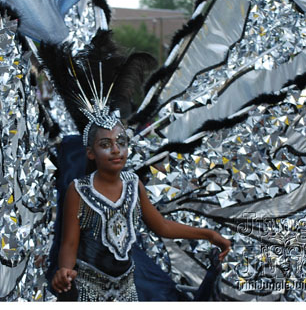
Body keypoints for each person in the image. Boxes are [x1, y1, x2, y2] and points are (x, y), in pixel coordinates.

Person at [51, 121, 231, 301]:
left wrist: (209, 235)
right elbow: (69, 243)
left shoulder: (133, 185)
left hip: (127, 290)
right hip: (88, 290)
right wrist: (65, 270)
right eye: (105, 144)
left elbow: (162, 226)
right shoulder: (79, 191)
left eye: (121, 142)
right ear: (90, 152)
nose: (115, 150)